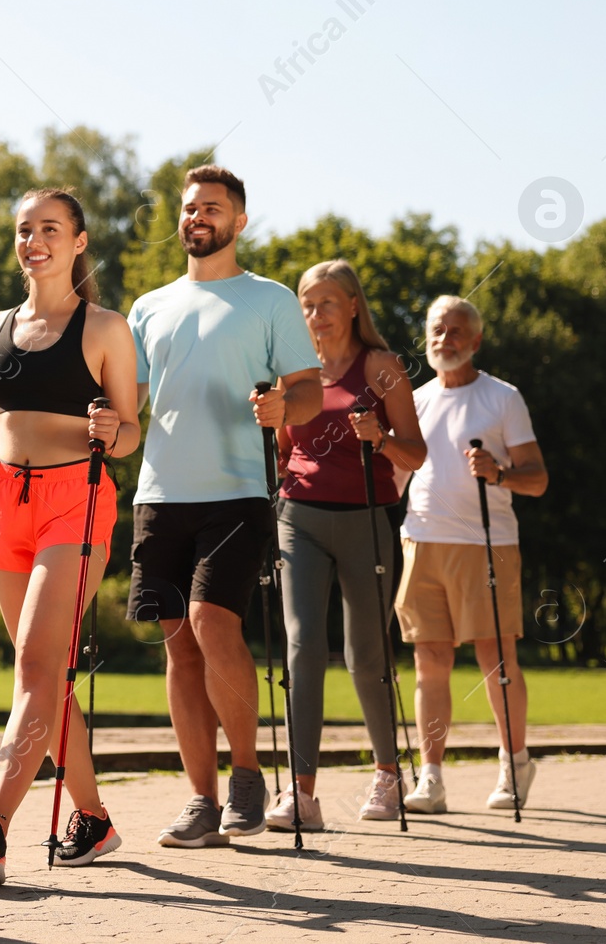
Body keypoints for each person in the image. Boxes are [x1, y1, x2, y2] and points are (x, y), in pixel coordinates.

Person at [0, 189, 140, 884]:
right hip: (6, 502)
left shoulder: (104, 328)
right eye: (24, 230)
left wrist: (111, 431)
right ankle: (93, 820)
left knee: (37, 670)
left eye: (49, 229)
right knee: (49, 677)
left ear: (78, 242)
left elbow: (127, 431)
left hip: (79, 499)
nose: (33, 240)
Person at [124, 165, 322, 845]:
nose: (197, 217)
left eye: (211, 207)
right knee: (179, 644)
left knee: (214, 622)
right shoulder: (148, 307)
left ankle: (246, 777)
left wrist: (281, 407)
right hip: (159, 494)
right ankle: (201, 799)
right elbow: (131, 410)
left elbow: (309, 391)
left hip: (237, 490)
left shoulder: (270, 301)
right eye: (188, 208)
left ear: (240, 221)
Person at [264, 260, 427, 832]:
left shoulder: (381, 369)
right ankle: (301, 792)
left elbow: (416, 454)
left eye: (327, 302)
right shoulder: (294, 374)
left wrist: (379, 439)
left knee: (365, 654)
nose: (315, 314)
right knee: (303, 645)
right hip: (300, 519)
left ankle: (388, 773)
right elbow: (284, 447)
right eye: (307, 304)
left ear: (354, 305)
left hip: (367, 517)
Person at [396, 294, 548, 814]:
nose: (445, 339)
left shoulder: (503, 398)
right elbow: (398, 472)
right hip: (421, 540)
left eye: (457, 331)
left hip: (487, 543)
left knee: (496, 659)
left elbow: (538, 479)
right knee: (429, 662)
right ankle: (431, 778)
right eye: (438, 330)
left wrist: (500, 473)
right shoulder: (415, 400)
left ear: (477, 340)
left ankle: (514, 764)